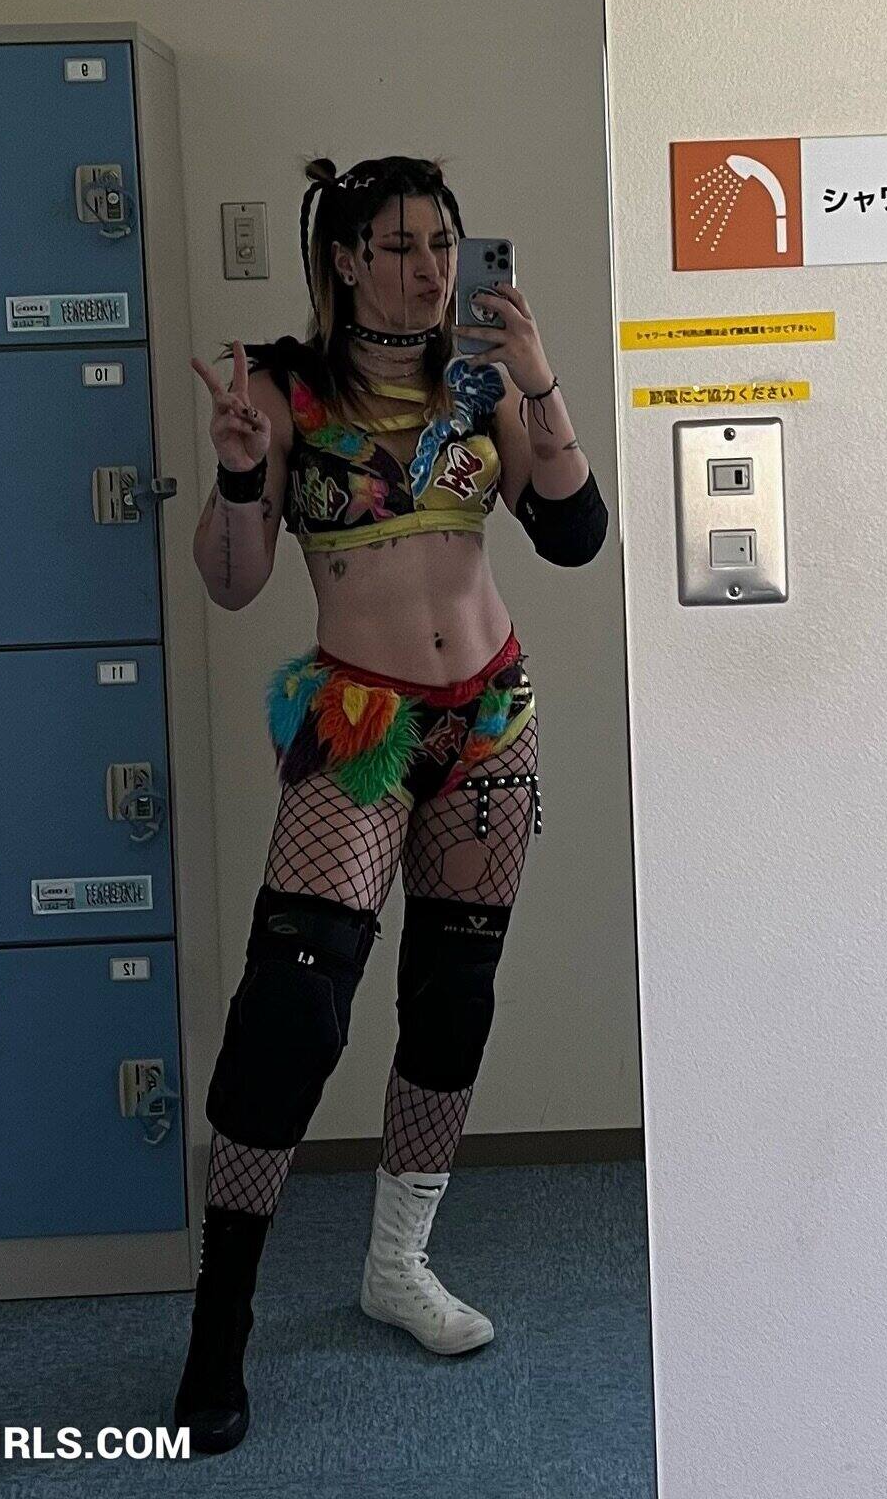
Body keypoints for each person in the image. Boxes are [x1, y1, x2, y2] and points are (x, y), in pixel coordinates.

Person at [172, 154, 608, 1452]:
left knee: (453, 998)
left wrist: (538, 376)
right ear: (348, 257)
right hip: (360, 720)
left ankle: (397, 1264)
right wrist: (239, 472)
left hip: (489, 716)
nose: (428, 269)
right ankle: (220, 1322)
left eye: (443, 244)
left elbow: (573, 534)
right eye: (402, 245)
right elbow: (233, 582)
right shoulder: (282, 385)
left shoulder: (483, 379)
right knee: (291, 1012)